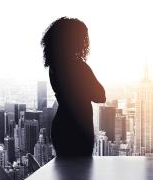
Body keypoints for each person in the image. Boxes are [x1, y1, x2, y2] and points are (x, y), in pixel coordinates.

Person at [41, 17, 106, 156]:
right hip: (80, 128)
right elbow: (100, 96)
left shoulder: (54, 66)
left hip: (62, 126)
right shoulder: (79, 67)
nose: (85, 43)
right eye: (82, 38)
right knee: (82, 172)